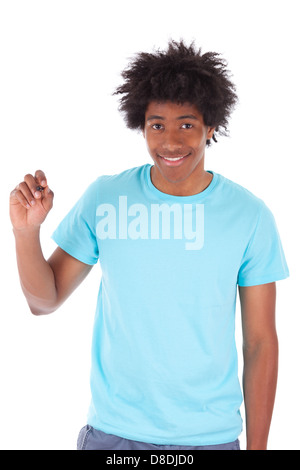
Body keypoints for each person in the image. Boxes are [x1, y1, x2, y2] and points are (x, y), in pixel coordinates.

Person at [9, 40, 289, 451]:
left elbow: (260, 342)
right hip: (113, 438)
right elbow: (43, 301)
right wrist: (25, 232)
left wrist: (259, 447)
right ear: (141, 126)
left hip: (210, 440)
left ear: (211, 127)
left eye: (187, 124)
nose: (170, 142)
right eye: (157, 125)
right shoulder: (106, 198)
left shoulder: (249, 216)